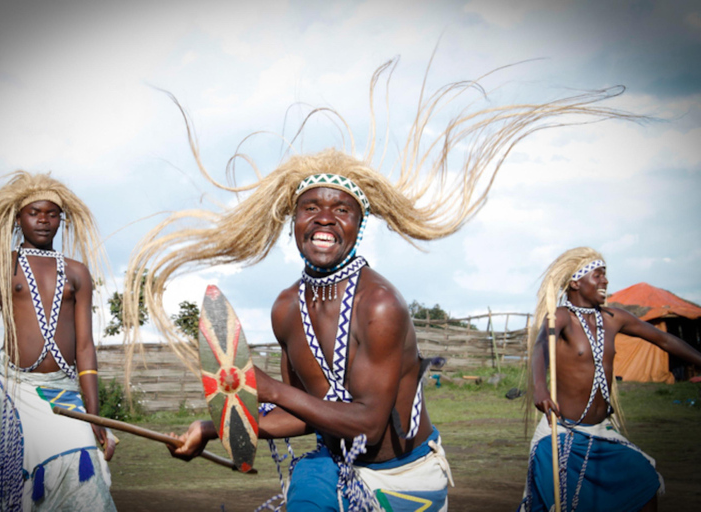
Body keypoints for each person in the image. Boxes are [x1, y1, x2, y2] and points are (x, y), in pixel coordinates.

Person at [122, 59, 637, 511]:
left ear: (358, 224)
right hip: (331, 467)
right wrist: (216, 425)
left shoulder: (381, 305)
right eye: (311, 208)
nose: (325, 218)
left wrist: (267, 387)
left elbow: (367, 425)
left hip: (403, 479)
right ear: (292, 221)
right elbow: (300, 416)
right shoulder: (286, 309)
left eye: (340, 209)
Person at [0, 171, 116, 511]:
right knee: (22, 482)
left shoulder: (76, 271)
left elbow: (85, 347)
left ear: (62, 219)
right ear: (18, 218)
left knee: (85, 466)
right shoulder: (2, 264)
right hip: (17, 390)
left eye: (52, 213)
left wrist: (95, 417)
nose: (44, 220)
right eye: (34, 213)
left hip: (63, 388)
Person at [520, 247, 701, 512]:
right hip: (562, 433)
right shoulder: (561, 317)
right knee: (555, 505)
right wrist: (539, 388)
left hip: (602, 433)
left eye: (605, 275)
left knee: (644, 481)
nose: (605, 281)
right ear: (575, 282)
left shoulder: (613, 318)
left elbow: (664, 339)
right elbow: (540, 348)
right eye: (598, 275)